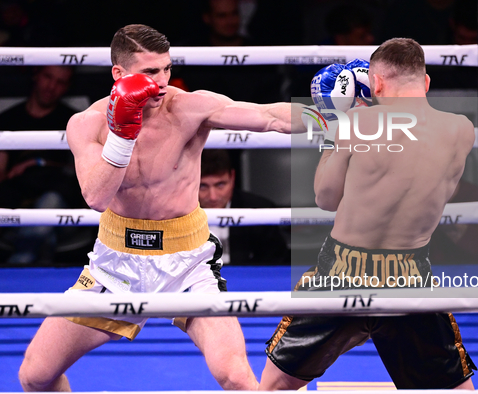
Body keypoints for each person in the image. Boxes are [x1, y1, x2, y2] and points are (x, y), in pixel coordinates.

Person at [18, 24, 303, 391]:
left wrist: (338, 113)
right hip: (115, 263)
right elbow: (96, 198)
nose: (162, 81)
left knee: (234, 375)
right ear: (118, 74)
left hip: (187, 261)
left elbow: (271, 117)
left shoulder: (188, 108)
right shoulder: (87, 124)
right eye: (150, 72)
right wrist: (122, 134)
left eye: (166, 69)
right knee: (34, 375)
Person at [259, 38, 477, 390]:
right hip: (409, 276)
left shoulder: (357, 122)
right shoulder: (461, 130)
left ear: (376, 84)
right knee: (453, 389)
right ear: (426, 82)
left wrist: (334, 124)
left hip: (342, 272)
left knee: (274, 386)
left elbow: (326, 198)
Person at [0, 65, 84, 264]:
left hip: (62, 213)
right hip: (16, 211)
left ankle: (19, 264)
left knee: (50, 203)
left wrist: (40, 163)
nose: (51, 86)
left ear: (67, 87)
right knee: (44, 236)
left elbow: (85, 174)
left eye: (60, 82)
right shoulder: (8, 119)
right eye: (48, 77)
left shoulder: (74, 121)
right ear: (36, 75)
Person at [200, 149, 289, 265]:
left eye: (220, 185)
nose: (213, 197)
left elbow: (274, 263)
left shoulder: (259, 211)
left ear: (232, 177)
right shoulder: (176, 213)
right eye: (203, 186)